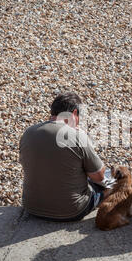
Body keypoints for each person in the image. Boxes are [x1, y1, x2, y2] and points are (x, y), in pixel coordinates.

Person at [18, 92, 107, 221]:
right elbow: (99, 176)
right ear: (75, 113)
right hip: (72, 210)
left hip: (31, 207)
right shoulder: (77, 136)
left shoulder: (28, 132)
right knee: (112, 183)